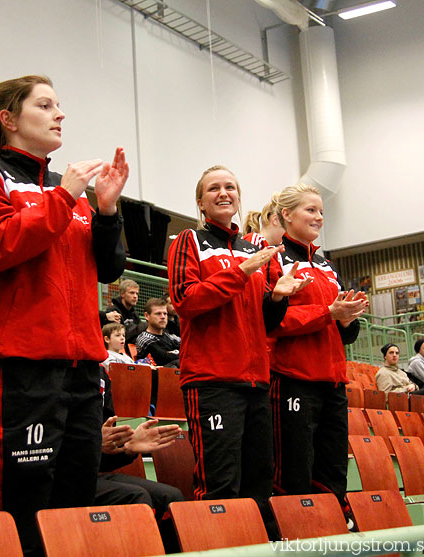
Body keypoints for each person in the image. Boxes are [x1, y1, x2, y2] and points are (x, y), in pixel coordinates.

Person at [0, 75, 128, 555]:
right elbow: (0, 247)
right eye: (46, 105)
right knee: (18, 507)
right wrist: (64, 196)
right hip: (21, 370)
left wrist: (108, 209)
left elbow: (110, 267)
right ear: (9, 119)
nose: (60, 114)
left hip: (80, 371)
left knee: (74, 504)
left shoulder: (69, 189)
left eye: (60, 105)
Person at [167, 165, 308, 530]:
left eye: (230, 186)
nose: (223, 193)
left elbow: (268, 321)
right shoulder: (189, 240)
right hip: (212, 380)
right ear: (201, 201)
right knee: (220, 486)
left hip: (256, 382)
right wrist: (241, 272)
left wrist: (277, 297)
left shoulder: (252, 250)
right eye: (214, 188)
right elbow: (186, 300)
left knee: (258, 483)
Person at [267, 184, 367, 516]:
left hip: (334, 381)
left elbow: (344, 333)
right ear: (287, 214)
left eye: (321, 211)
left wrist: (348, 318)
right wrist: (329, 314)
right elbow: (274, 322)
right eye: (311, 210)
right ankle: (297, 537)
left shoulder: (326, 265)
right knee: (295, 473)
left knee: (333, 471)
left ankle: (331, 533)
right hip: (294, 378)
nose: (319, 217)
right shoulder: (275, 259)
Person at [97, 364, 184, 551]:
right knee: (136, 497)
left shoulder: (100, 374)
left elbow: (103, 458)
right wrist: (94, 443)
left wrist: (127, 448)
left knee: (172, 497)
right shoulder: (52, 371)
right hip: (64, 477)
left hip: (93, 473)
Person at [135, 297, 180, 368]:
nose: (163, 317)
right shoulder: (144, 338)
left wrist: (174, 353)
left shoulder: (170, 337)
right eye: (158, 314)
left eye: (165, 314)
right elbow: (162, 358)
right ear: (147, 316)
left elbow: (187, 349)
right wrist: (177, 352)